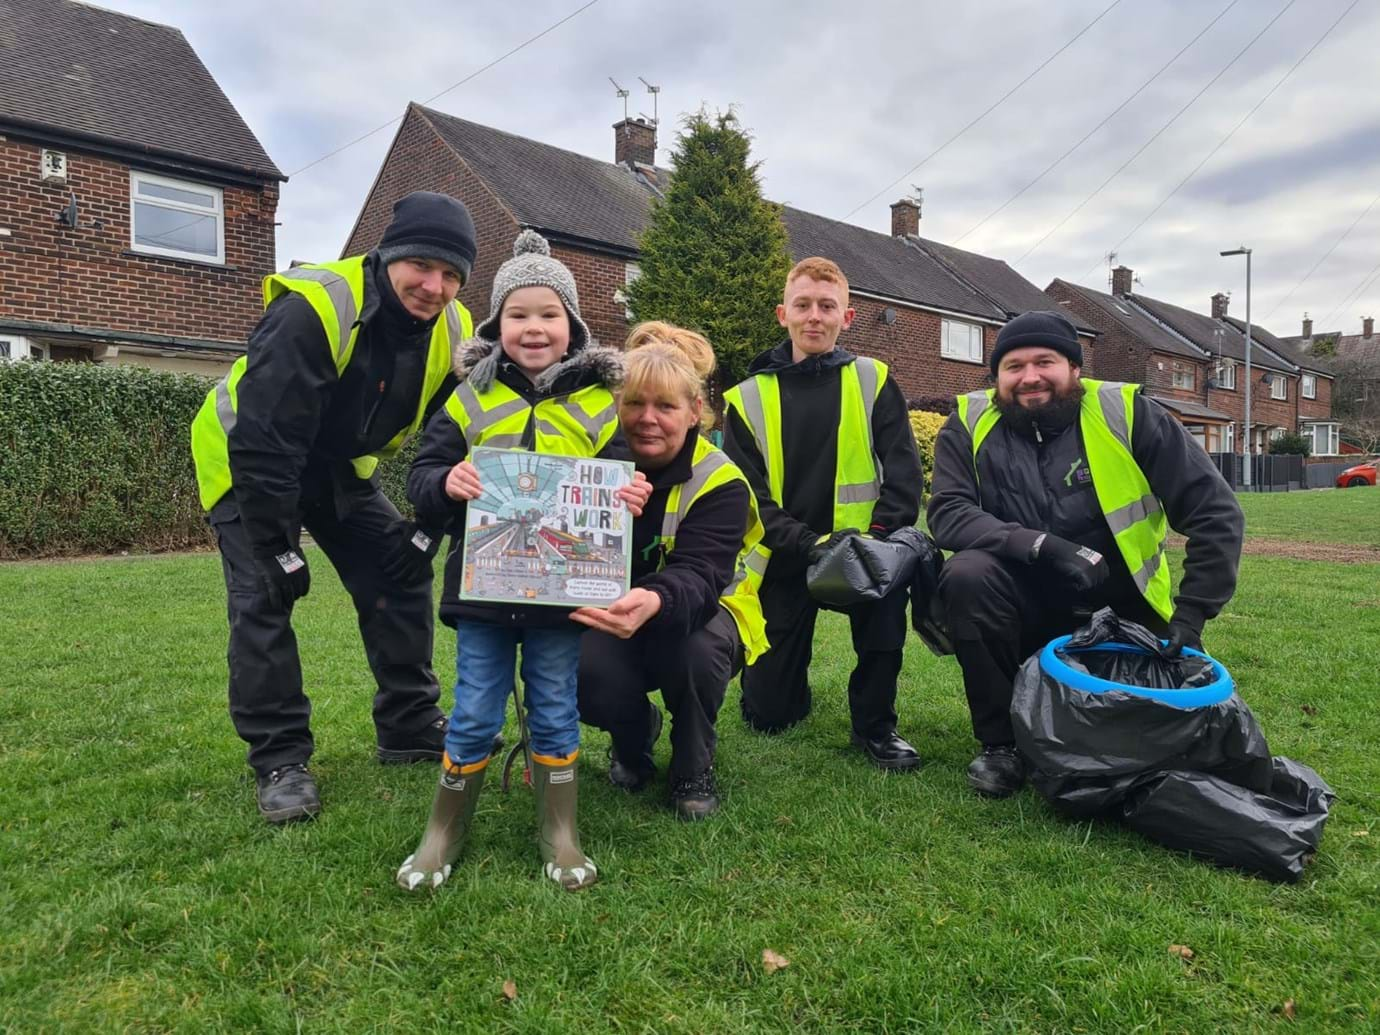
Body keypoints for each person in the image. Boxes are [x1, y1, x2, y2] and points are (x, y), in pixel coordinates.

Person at [190, 191, 478, 825]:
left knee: (400, 569)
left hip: (336, 467)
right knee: (266, 594)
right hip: (248, 459)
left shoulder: (457, 331)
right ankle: (280, 759)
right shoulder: (314, 309)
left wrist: (428, 529)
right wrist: (277, 548)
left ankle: (408, 723)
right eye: (423, 266)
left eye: (452, 274)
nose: (435, 287)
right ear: (388, 255)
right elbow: (266, 440)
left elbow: (452, 437)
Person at [396, 230, 649, 893]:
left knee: (555, 709)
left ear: (573, 326)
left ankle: (560, 833)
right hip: (482, 596)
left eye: (548, 314)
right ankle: (442, 830)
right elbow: (421, 476)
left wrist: (628, 494)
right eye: (518, 314)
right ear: (496, 323)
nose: (533, 328)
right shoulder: (469, 397)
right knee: (475, 709)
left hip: (561, 601)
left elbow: (619, 484)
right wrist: (446, 484)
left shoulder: (599, 404)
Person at [927, 309, 1245, 798]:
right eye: (1013, 366)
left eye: (1044, 361)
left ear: (1075, 368)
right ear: (996, 377)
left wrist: (1192, 614)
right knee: (967, 574)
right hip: (1022, 600)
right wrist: (1043, 547)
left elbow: (1215, 513)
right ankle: (1001, 746)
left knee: (1151, 740)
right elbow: (948, 512)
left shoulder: (1128, 413)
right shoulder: (968, 422)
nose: (1029, 377)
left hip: (1124, 608)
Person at [723, 257, 926, 769]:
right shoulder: (746, 398)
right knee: (769, 716)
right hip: (789, 557)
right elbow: (749, 499)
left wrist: (877, 540)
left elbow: (904, 477)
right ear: (782, 314)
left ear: (847, 318)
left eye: (827, 306)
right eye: (803, 305)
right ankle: (779, 693)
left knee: (882, 630)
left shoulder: (873, 380)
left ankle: (875, 726)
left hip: (866, 551)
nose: (815, 316)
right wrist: (811, 545)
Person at [574, 322, 768, 820]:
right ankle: (634, 737)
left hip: (708, 609)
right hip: (613, 608)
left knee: (695, 653)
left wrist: (655, 600)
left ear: (695, 413)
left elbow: (703, 573)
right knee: (581, 670)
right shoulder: (588, 464)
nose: (647, 419)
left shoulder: (720, 479)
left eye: (665, 406)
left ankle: (692, 768)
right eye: (634, 403)